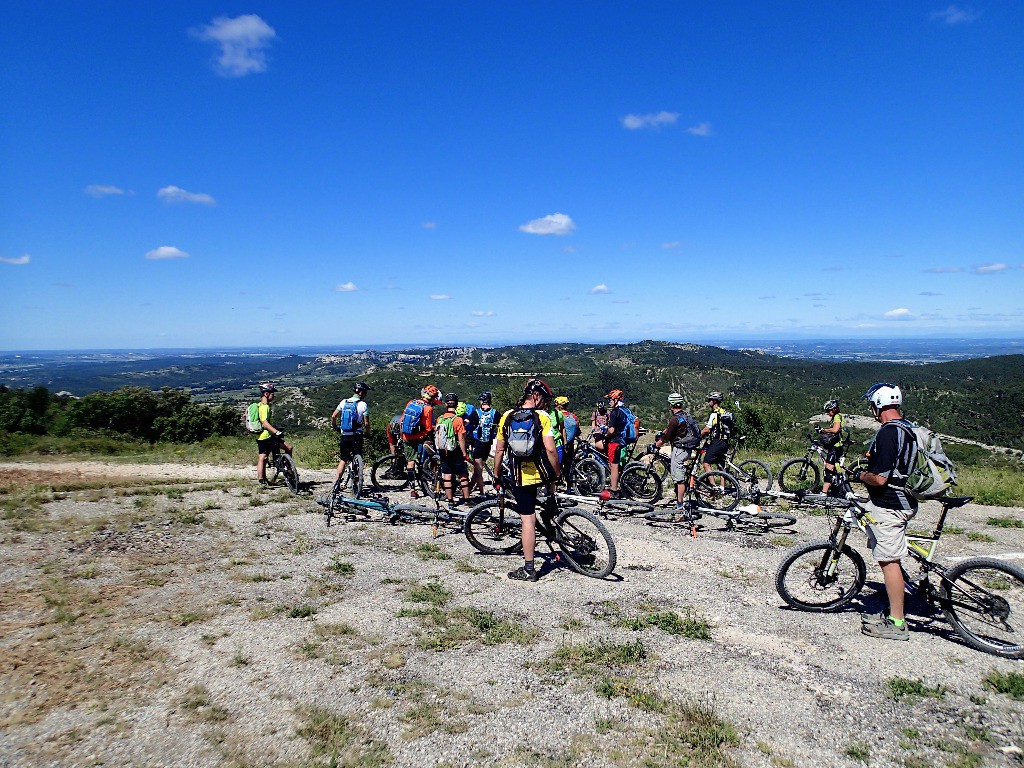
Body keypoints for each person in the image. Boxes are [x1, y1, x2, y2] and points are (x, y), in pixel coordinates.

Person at [851, 383, 919, 642]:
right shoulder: (907, 428)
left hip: (891, 504)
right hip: (903, 500)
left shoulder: (888, 433)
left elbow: (879, 479)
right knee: (889, 555)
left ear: (878, 405)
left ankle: (897, 622)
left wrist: (860, 475)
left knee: (889, 562)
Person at [492, 378, 560, 582]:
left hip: (521, 476)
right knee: (549, 498)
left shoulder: (507, 416)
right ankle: (553, 516)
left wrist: (496, 473)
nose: (546, 404)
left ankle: (529, 569)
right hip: (544, 474)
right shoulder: (543, 417)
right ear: (537, 396)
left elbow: (500, 449)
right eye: (545, 400)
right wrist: (557, 473)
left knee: (527, 519)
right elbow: (550, 449)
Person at [652, 393, 701, 509]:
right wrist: (663, 432)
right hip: (688, 448)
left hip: (680, 449)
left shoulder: (674, 419)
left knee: (679, 479)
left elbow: (666, 438)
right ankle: (680, 495)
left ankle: (679, 505)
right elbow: (671, 429)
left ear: (671, 405)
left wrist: (654, 445)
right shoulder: (685, 415)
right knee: (680, 475)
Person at [401, 385, 441, 499]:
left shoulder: (411, 403)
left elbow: (402, 420)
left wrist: (401, 436)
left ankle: (412, 489)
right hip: (418, 436)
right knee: (432, 452)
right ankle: (429, 472)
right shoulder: (428, 408)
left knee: (410, 462)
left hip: (406, 436)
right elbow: (428, 428)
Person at [435, 393, 472, 504]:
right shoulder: (458, 420)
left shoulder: (439, 419)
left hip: (443, 450)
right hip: (455, 450)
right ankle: (467, 500)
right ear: (456, 405)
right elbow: (461, 438)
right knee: (463, 475)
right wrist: (464, 453)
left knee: (447, 474)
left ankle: (450, 500)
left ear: (446, 404)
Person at [330, 382, 370, 484]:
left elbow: (333, 416)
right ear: (361, 393)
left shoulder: (344, 402)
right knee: (357, 456)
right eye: (366, 393)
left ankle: (337, 483)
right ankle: (356, 482)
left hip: (345, 435)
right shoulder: (363, 405)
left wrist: (335, 426)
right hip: (357, 436)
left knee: (343, 459)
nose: (366, 395)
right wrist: (368, 433)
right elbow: (366, 423)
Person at [255, 383, 292, 484]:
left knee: (263, 456)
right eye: (272, 393)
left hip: (260, 436)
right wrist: (276, 431)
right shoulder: (265, 407)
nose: (274, 396)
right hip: (267, 436)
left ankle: (261, 480)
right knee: (288, 447)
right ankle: (289, 471)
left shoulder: (258, 405)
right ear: (266, 394)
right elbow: (265, 422)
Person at [601, 389, 629, 497]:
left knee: (614, 466)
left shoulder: (614, 412)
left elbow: (611, 430)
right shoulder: (624, 411)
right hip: (622, 440)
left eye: (610, 399)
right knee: (616, 464)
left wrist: (605, 435)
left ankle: (614, 490)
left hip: (614, 441)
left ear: (616, 399)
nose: (609, 402)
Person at [469, 391, 498, 495]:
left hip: (477, 443)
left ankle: (481, 492)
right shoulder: (495, 413)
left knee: (478, 471)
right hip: (488, 443)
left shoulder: (476, 413)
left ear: (481, 401)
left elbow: (468, 423)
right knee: (478, 468)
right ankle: (469, 488)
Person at [700, 391, 731, 477]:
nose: (708, 401)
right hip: (725, 441)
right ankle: (722, 488)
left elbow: (707, 429)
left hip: (717, 441)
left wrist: (698, 435)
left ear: (714, 401)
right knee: (721, 466)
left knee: (706, 463)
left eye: (709, 399)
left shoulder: (714, 414)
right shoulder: (723, 411)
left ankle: (714, 488)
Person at [819, 399, 845, 496]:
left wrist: (824, 430)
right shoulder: (835, 417)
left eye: (828, 411)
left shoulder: (837, 417)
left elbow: (835, 430)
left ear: (834, 409)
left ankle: (824, 492)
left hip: (836, 447)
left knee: (828, 469)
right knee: (832, 469)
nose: (827, 413)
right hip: (834, 447)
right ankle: (836, 489)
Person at [554, 396, 579, 486]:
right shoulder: (573, 416)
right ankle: (569, 484)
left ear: (560, 406)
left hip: (560, 444)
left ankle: (558, 482)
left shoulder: (557, 416)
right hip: (570, 444)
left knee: (558, 463)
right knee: (569, 464)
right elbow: (578, 430)